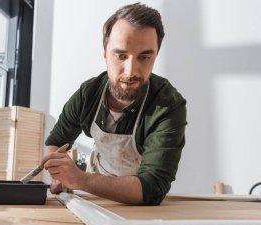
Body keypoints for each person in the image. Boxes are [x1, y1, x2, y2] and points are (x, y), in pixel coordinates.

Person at [41, 3, 187, 205]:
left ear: (155, 57)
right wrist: (58, 174)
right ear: (105, 55)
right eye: (120, 56)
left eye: (144, 57)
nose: (130, 71)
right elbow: (56, 141)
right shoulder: (87, 95)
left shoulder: (168, 105)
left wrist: (80, 179)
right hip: (92, 196)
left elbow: (152, 187)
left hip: (140, 203)